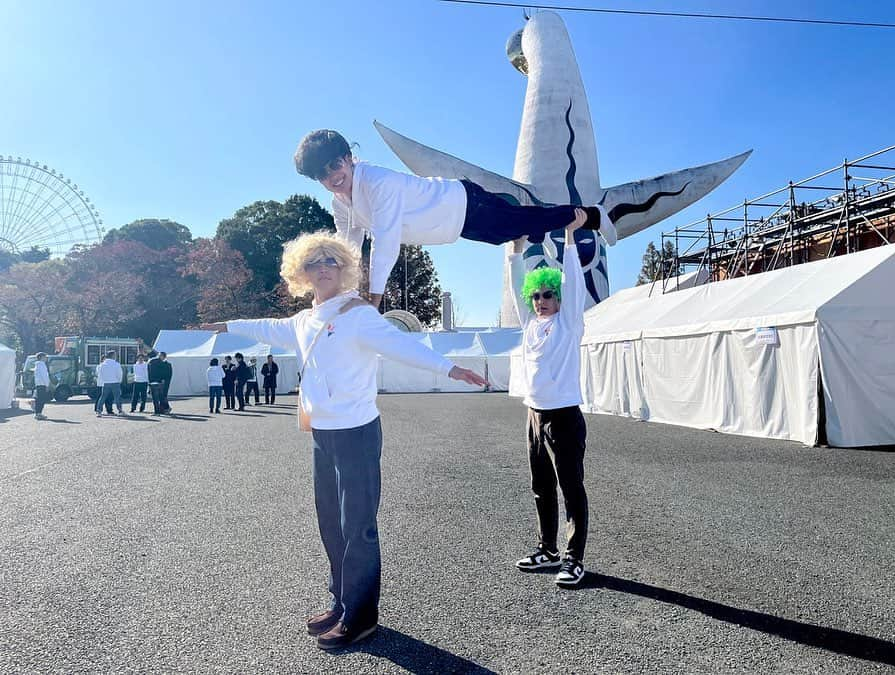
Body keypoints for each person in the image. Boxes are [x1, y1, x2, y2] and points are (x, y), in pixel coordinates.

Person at [200, 231, 487, 650]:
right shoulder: (302, 321)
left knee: (359, 527)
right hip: (323, 432)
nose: (322, 268)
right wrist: (223, 325)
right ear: (300, 272)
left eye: (330, 261)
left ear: (344, 268)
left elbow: (400, 345)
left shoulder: (358, 314)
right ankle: (340, 601)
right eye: (313, 262)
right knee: (331, 523)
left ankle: (361, 617)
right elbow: (265, 326)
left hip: (357, 431)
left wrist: (449, 369)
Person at [293, 129, 617, 308]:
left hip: (463, 203)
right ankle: (530, 229)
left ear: (348, 158)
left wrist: (374, 298)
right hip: (455, 224)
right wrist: (339, 293)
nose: (333, 177)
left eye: (335, 166)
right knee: (510, 230)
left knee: (523, 221)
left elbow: (385, 241)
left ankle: (591, 215)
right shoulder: (341, 204)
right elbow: (347, 250)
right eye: (322, 175)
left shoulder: (377, 183)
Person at [509, 212, 591, 588]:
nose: (541, 301)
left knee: (570, 485)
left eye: (548, 295)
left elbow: (575, 285)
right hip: (534, 413)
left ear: (558, 298)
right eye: (537, 295)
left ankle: (574, 559)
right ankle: (548, 548)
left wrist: (570, 238)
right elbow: (515, 289)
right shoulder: (530, 325)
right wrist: (516, 250)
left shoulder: (569, 322)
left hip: (564, 415)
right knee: (541, 484)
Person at [96, 351, 124, 417]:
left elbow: (100, 374)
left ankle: (99, 411)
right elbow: (119, 374)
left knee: (103, 397)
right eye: (115, 355)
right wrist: (119, 381)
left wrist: (104, 380)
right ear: (113, 356)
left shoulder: (102, 365)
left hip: (106, 383)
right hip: (115, 382)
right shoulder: (116, 364)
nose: (116, 356)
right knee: (117, 397)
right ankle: (120, 410)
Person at [148, 351, 173, 415]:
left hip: (161, 383)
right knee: (158, 398)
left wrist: (165, 383)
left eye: (161, 356)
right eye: (159, 355)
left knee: (161, 397)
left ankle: (163, 409)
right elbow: (149, 372)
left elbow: (168, 376)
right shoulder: (153, 362)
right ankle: (161, 410)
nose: (159, 357)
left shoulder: (167, 364)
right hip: (155, 382)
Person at [33, 352, 50, 421]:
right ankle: (39, 413)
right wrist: (47, 384)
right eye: (45, 357)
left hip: (38, 384)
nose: (46, 358)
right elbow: (44, 376)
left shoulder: (37, 365)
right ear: (42, 357)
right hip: (42, 384)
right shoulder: (42, 365)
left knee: (39, 399)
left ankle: (38, 413)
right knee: (41, 399)